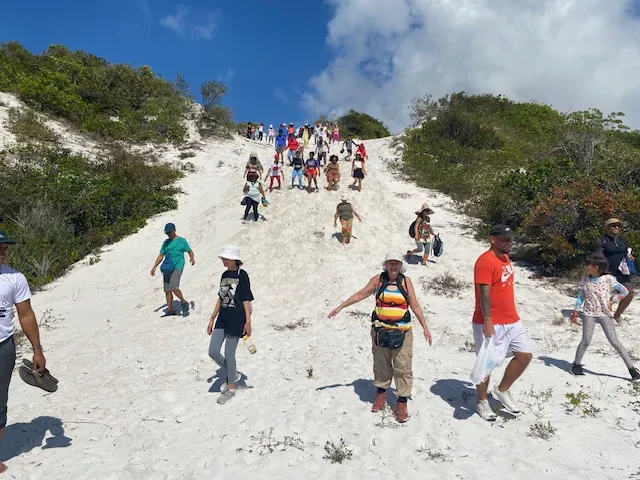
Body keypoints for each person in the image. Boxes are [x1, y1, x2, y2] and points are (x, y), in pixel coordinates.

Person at [327, 252, 432, 423]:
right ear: (385, 264)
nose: (393, 266)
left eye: (396, 263)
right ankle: (381, 395)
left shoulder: (406, 282)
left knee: (403, 366)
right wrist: (341, 307)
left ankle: (402, 402)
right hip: (380, 331)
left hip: (402, 332)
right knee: (381, 364)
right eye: (390, 263)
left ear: (401, 265)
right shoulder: (378, 280)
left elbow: (415, 305)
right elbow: (360, 294)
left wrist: (425, 328)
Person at [473, 224, 532, 422]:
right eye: (505, 239)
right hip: (491, 321)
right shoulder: (485, 261)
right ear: (492, 239)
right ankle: (482, 401)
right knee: (486, 364)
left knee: (524, 356)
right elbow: (484, 293)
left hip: (512, 320)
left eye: (510, 239)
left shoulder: (505, 258)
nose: (509, 243)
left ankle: (502, 390)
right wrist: (488, 320)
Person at [0, 230, 48, 473]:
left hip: (3, 347)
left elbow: (25, 314)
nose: (5, 249)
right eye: (0, 246)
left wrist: (37, 349)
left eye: (6, 245)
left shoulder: (14, 277)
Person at [570, 254, 640, 381]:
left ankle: (631, 368)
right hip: (588, 314)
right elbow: (581, 296)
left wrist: (612, 301)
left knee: (614, 341)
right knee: (586, 341)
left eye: (588, 265)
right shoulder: (586, 279)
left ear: (596, 267)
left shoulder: (608, 279)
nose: (586, 267)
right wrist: (575, 312)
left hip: (604, 314)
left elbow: (624, 291)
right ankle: (576, 364)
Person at [207, 245, 254, 405]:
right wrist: (212, 318)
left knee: (229, 353)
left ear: (234, 259)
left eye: (225, 258)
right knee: (213, 351)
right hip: (222, 317)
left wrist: (248, 322)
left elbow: (246, 299)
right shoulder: (225, 275)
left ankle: (231, 388)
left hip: (237, 318)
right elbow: (221, 298)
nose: (223, 261)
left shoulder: (243, 275)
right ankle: (231, 373)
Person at [595, 218, 636, 322]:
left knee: (629, 293)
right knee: (605, 297)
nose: (616, 227)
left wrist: (629, 255)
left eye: (618, 226)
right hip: (607, 274)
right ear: (607, 228)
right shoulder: (601, 241)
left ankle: (617, 315)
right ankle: (603, 315)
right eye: (613, 225)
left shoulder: (622, 240)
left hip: (622, 273)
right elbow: (598, 256)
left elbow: (627, 250)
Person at [151, 223, 195, 316]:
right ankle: (171, 310)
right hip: (167, 267)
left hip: (178, 266)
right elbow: (161, 255)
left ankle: (183, 302)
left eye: (169, 232)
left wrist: (192, 258)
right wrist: (154, 266)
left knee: (174, 287)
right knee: (167, 289)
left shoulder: (182, 241)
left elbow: (190, 251)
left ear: (174, 230)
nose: (168, 234)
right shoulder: (165, 243)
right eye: (167, 233)